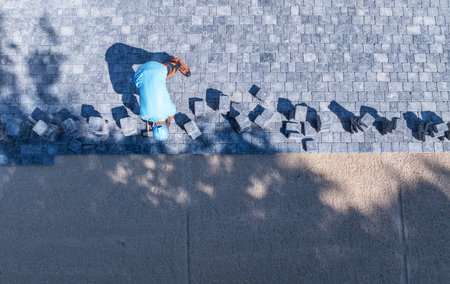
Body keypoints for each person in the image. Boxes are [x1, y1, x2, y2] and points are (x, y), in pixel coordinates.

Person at [134, 57, 190, 141]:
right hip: (139, 73)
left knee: (164, 71)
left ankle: (175, 63)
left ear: (166, 127)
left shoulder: (170, 111)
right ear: (153, 128)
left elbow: (171, 115)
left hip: (158, 69)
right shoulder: (144, 116)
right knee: (145, 87)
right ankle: (174, 63)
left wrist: (168, 123)